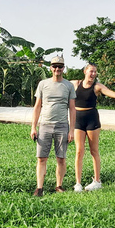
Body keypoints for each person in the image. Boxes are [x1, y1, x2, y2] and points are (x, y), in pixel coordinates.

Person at [70, 63, 115, 192]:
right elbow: (58, 84)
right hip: (78, 119)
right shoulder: (75, 84)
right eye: (91, 71)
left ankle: (97, 181)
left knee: (94, 151)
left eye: (95, 72)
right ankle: (78, 183)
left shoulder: (97, 87)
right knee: (79, 151)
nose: (93, 74)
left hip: (92, 119)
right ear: (85, 71)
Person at [31, 56, 76, 196]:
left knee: (61, 158)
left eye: (60, 66)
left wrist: (72, 130)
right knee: (41, 158)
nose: (57, 69)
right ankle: (39, 188)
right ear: (50, 68)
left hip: (62, 125)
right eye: (54, 66)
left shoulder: (68, 86)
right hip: (45, 125)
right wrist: (33, 127)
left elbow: (72, 109)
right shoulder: (43, 84)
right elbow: (37, 106)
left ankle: (59, 185)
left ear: (63, 68)